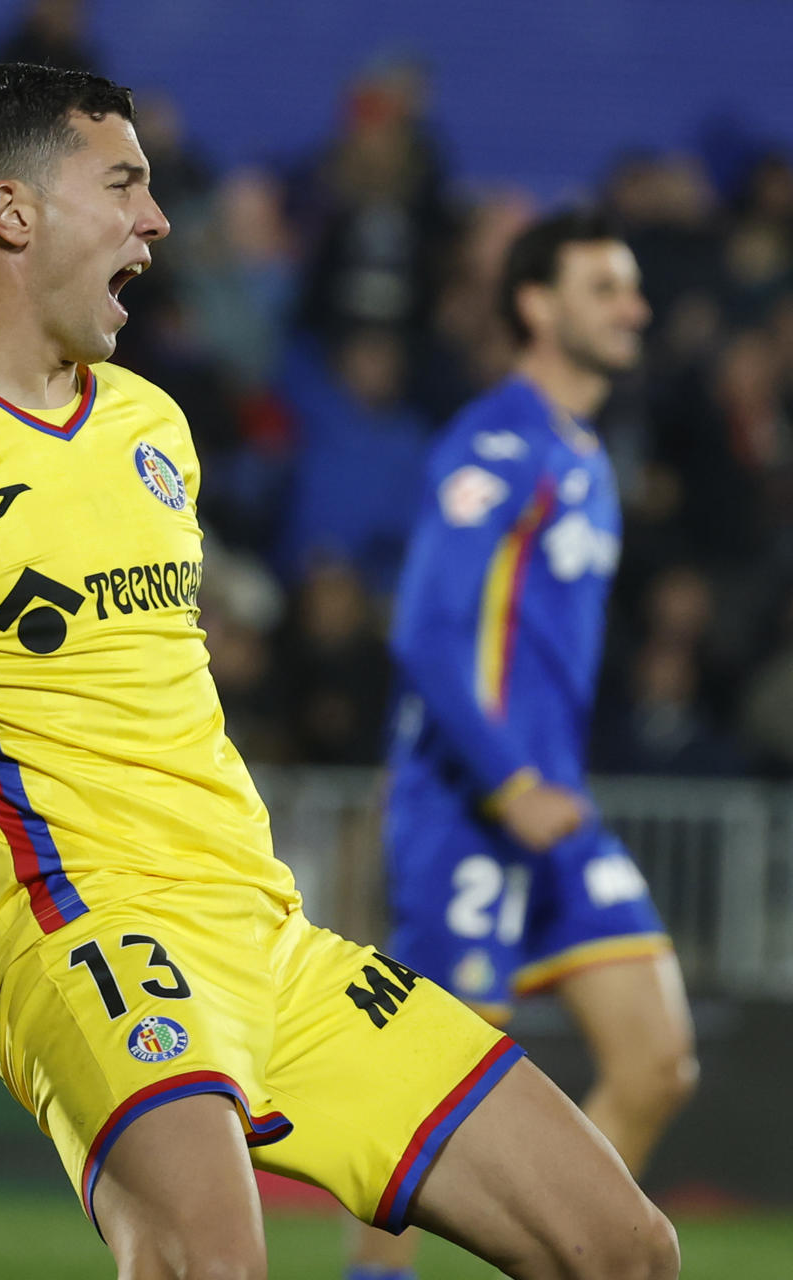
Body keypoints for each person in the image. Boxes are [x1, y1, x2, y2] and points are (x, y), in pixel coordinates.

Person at [0, 63, 680, 1280]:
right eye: (123, 183)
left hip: (266, 935)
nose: (157, 220)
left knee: (627, 1249)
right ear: (13, 213)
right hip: (80, 939)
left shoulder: (150, 427)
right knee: (216, 1264)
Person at [348, 211, 696, 1280]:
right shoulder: (496, 442)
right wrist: (507, 779)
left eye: (632, 288)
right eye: (606, 287)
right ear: (537, 305)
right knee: (421, 1092)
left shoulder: (583, 454)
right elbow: (424, 633)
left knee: (655, 1061)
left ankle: (582, 1254)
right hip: (469, 805)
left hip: (553, 804)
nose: (632, 307)